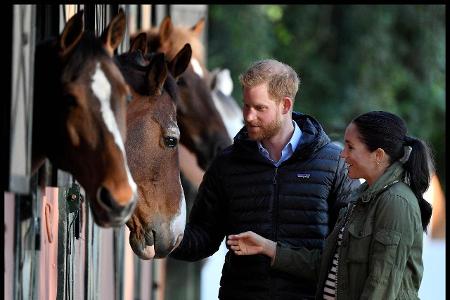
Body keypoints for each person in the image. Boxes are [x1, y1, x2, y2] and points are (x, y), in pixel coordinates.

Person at [170, 59, 360, 299]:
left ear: (285, 105)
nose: (249, 116)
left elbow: (348, 250)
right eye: (246, 105)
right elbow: (204, 237)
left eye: (260, 108)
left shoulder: (334, 164)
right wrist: (164, 240)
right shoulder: (227, 163)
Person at [227, 111, 433, 300]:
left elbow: (381, 285)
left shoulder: (395, 202)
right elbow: (327, 265)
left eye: (350, 147)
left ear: (378, 155)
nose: (342, 154)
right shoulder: (362, 198)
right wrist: (268, 247)